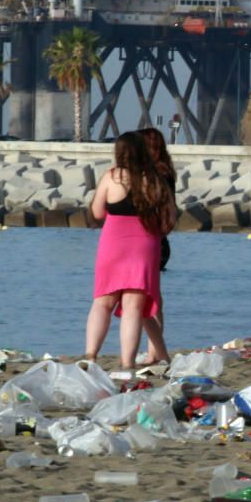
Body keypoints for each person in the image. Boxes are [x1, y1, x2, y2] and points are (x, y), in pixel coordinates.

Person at [85, 132, 176, 369]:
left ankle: (90, 356)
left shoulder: (111, 176)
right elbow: (169, 221)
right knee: (134, 307)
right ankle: (127, 365)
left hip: (113, 243)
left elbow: (96, 213)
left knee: (102, 302)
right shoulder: (156, 179)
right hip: (145, 245)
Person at [139, 127, 177, 365]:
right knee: (153, 296)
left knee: (146, 297)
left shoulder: (151, 175)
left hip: (150, 238)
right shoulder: (167, 172)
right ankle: (154, 348)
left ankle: (155, 350)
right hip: (161, 240)